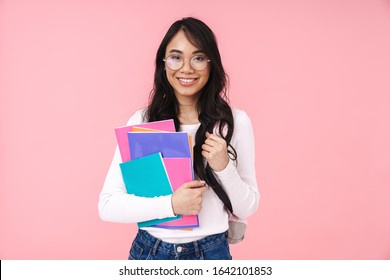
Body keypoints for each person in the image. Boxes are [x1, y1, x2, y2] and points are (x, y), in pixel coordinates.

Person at [98, 17, 259, 260]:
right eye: (175, 57)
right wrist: (172, 204)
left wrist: (224, 167)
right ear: (163, 64)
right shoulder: (142, 122)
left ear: (211, 64)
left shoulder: (234, 122)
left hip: (211, 253)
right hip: (149, 253)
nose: (186, 68)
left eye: (198, 57)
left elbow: (247, 207)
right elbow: (108, 206)